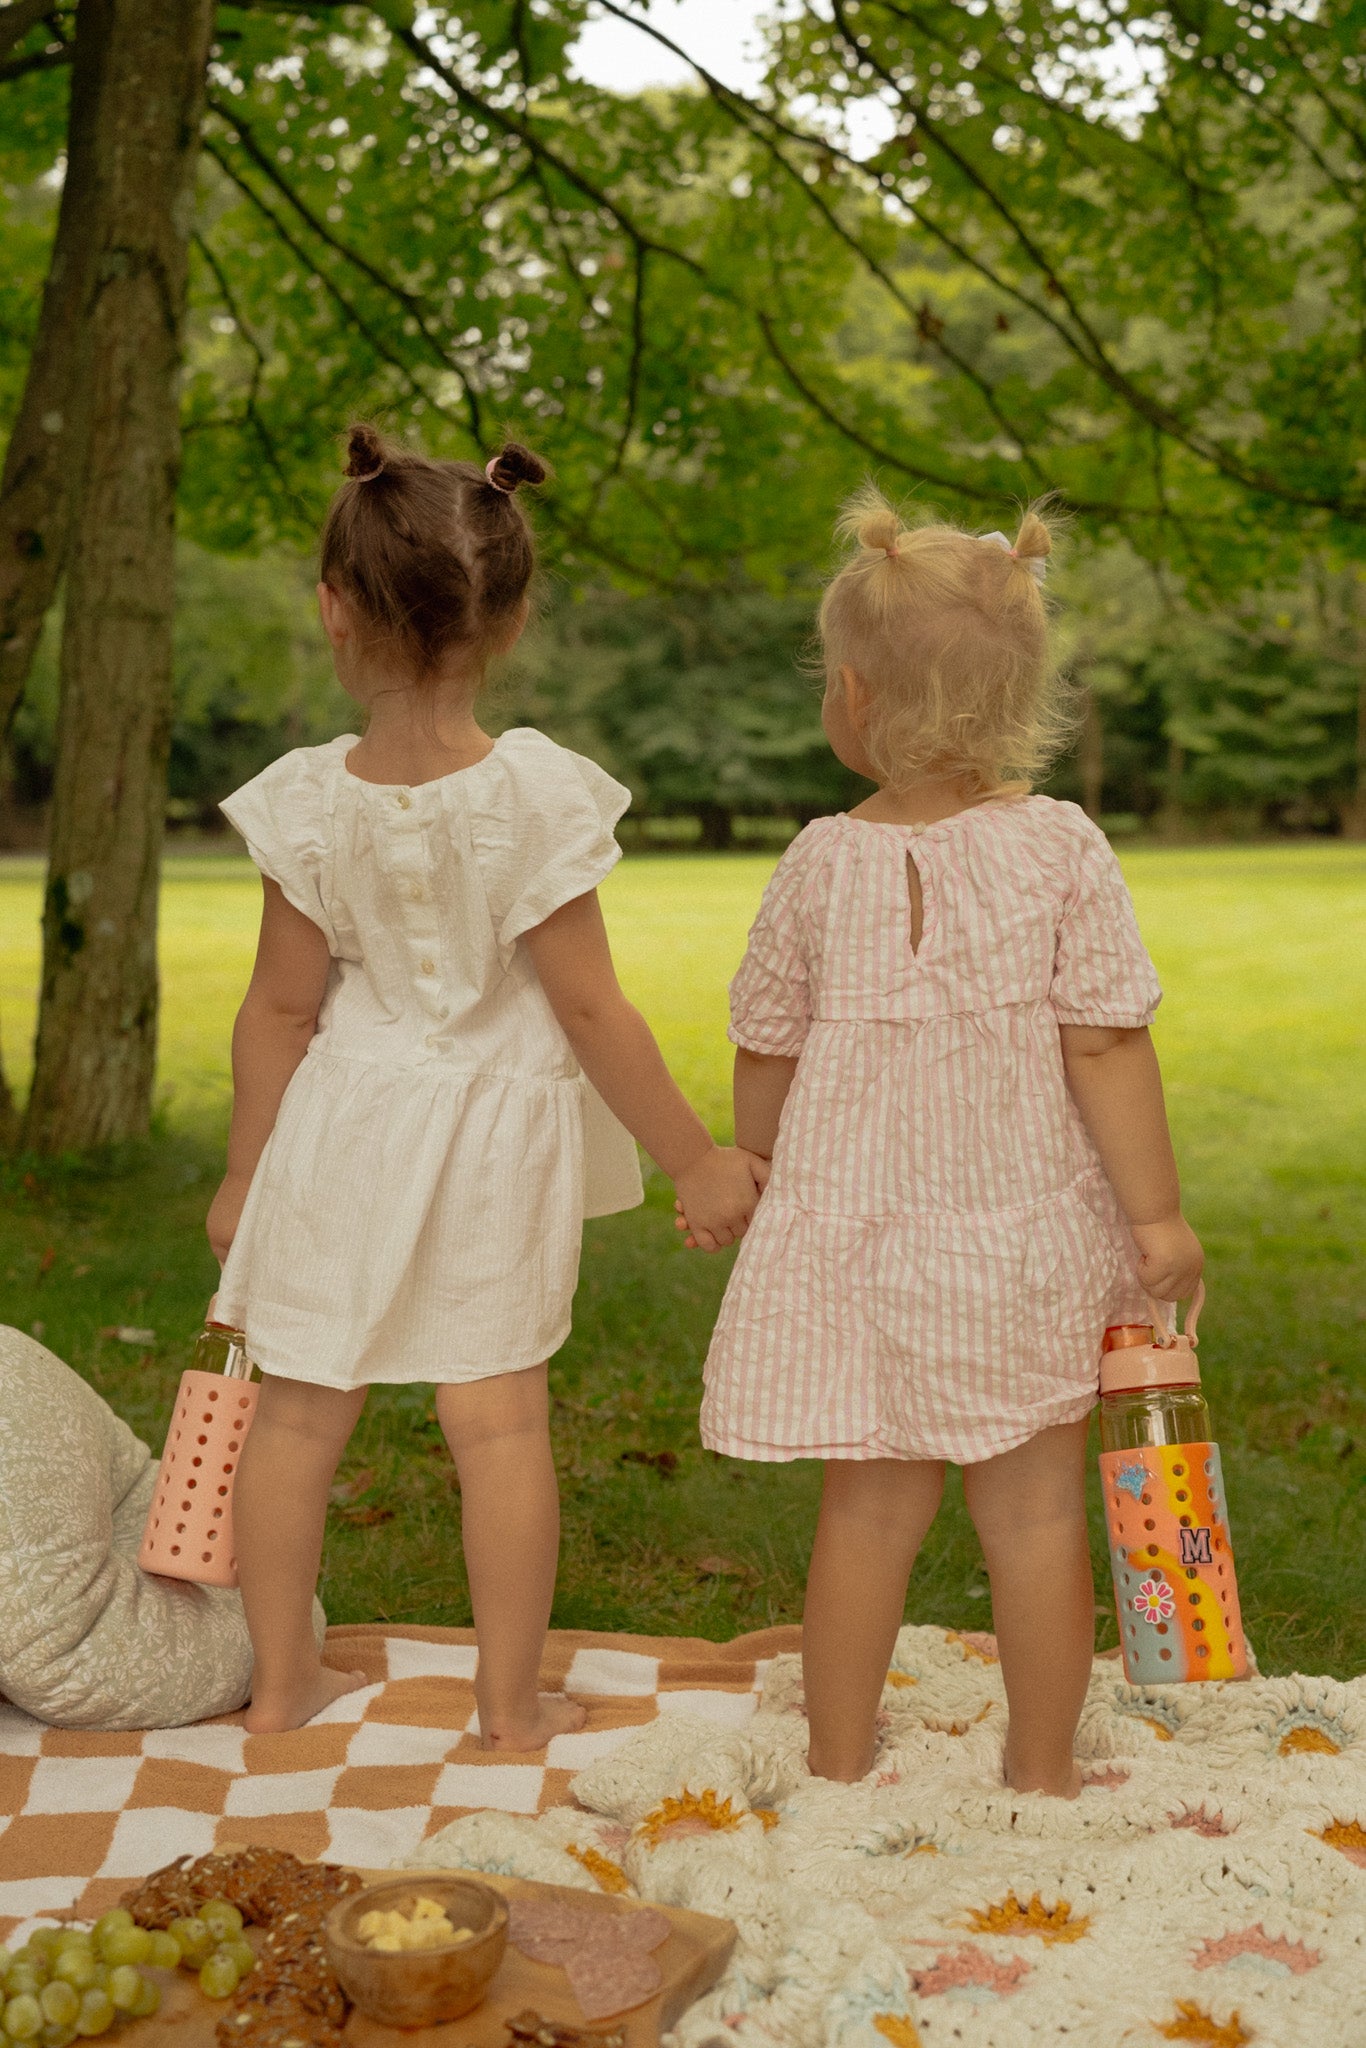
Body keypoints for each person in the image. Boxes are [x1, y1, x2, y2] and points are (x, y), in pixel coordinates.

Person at [208, 425, 763, 1739]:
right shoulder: (534, 794)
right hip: (493, 1130)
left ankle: (283, 1682)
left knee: (292, 1418)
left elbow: (280, 1008)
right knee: (498, 1423)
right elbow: (585, 1005)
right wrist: (693, 1156)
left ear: (332, 611)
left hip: (340, 1118)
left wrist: (245, 1171)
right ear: (507, 621)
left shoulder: (304, 802)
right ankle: (509, 1709)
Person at [686, 490, 1203, 1795]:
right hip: (1014, 1244)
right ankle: (1038, 1769)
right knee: (1030, 1516)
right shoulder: (1060, 849)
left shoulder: (813, 863)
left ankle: (836, 1762)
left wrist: (756, 1165)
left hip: (860, 1251)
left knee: (865, 1516)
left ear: (849, 696)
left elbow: (767, 1040)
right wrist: (1153, 1219)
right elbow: (1105, 1040)